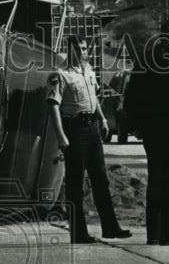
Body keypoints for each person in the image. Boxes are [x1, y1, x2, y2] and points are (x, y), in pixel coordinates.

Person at [48, 35, 131, 244]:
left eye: (84, 49)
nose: (82, 53)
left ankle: (111, 227)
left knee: (101, 179)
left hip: (93, 128)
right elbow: (53, 106)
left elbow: (94, 99)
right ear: (70, 50)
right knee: (75, 183)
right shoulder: (61, 75)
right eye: (78, 49)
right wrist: (61, 136)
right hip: (75, 131)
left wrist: (103, 120)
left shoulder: (88, 71)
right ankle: (79, 233)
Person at [123, 35, 169, 246]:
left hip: (150, 128)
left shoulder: (142, 64)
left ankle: (153, 233)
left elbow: (129, 100)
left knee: (155, 178)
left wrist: (137, 125)